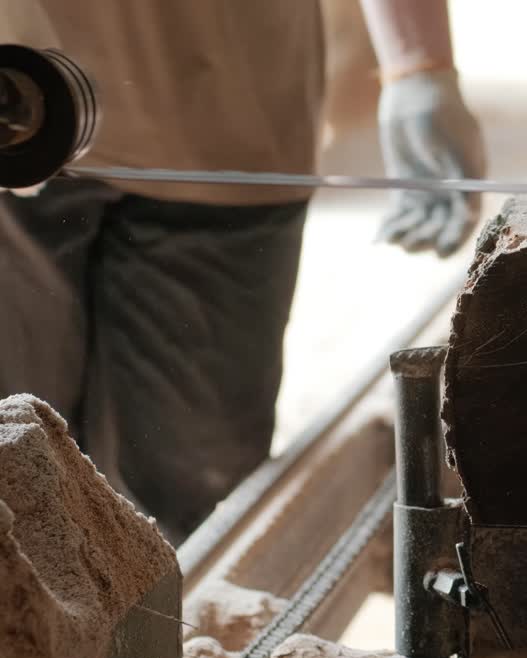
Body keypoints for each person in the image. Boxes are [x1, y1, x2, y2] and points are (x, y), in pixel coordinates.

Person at [0, 0, 486, 541]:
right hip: (18, 103)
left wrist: (418, 66)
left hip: (227, 118)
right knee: (14, 475)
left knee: (192, 492)